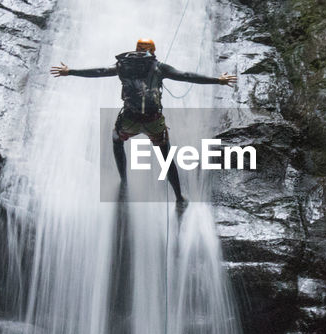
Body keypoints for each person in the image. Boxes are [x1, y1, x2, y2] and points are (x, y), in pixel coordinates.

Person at [51, 38, 236, 207]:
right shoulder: (159, 67)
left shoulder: (123, 66)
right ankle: (179, 196)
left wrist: (70, 71)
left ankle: (124, 180)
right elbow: (186, 76)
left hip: (130, 119)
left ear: (136, 49)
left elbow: (99, 72)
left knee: (116, 139)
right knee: (166, 156)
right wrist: (218, 81)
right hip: (153, 121)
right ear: (153, 52)